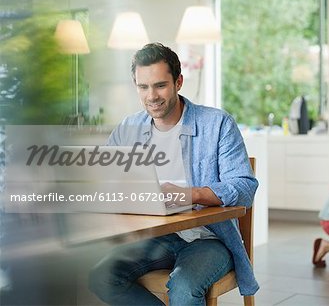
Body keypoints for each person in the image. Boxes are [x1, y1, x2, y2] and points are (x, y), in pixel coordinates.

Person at [88, 42, 259, 305]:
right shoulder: (129, 127)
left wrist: (191, 195)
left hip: (208, 238)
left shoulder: (217, 123)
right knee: (101, 276)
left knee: (183, 287)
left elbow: (245, 187)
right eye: (143, 87)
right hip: (156, 236)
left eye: (160, 85)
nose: (151, 96)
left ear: (178, 82)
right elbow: (104, 177)